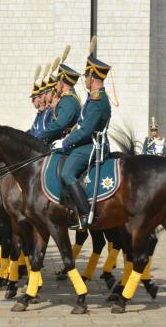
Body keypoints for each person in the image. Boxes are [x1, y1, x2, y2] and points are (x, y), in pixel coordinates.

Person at [60, 56, 111, 229]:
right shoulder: (93, 98)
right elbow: (81, 125)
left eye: (87, 77)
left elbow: (86, 130)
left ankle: (84, 213)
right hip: (88, 143)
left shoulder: (97, 101)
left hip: (93, 145)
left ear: (93, 78)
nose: (85, 80)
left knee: (67, 173)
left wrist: (66, 143)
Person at [35, 64, 81, 146]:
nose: (55, 85)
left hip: (66, 141)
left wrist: (39, 136)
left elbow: (60, 124)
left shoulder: (69, 101)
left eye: (57, 82)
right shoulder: (66, 99)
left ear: (62, 82)